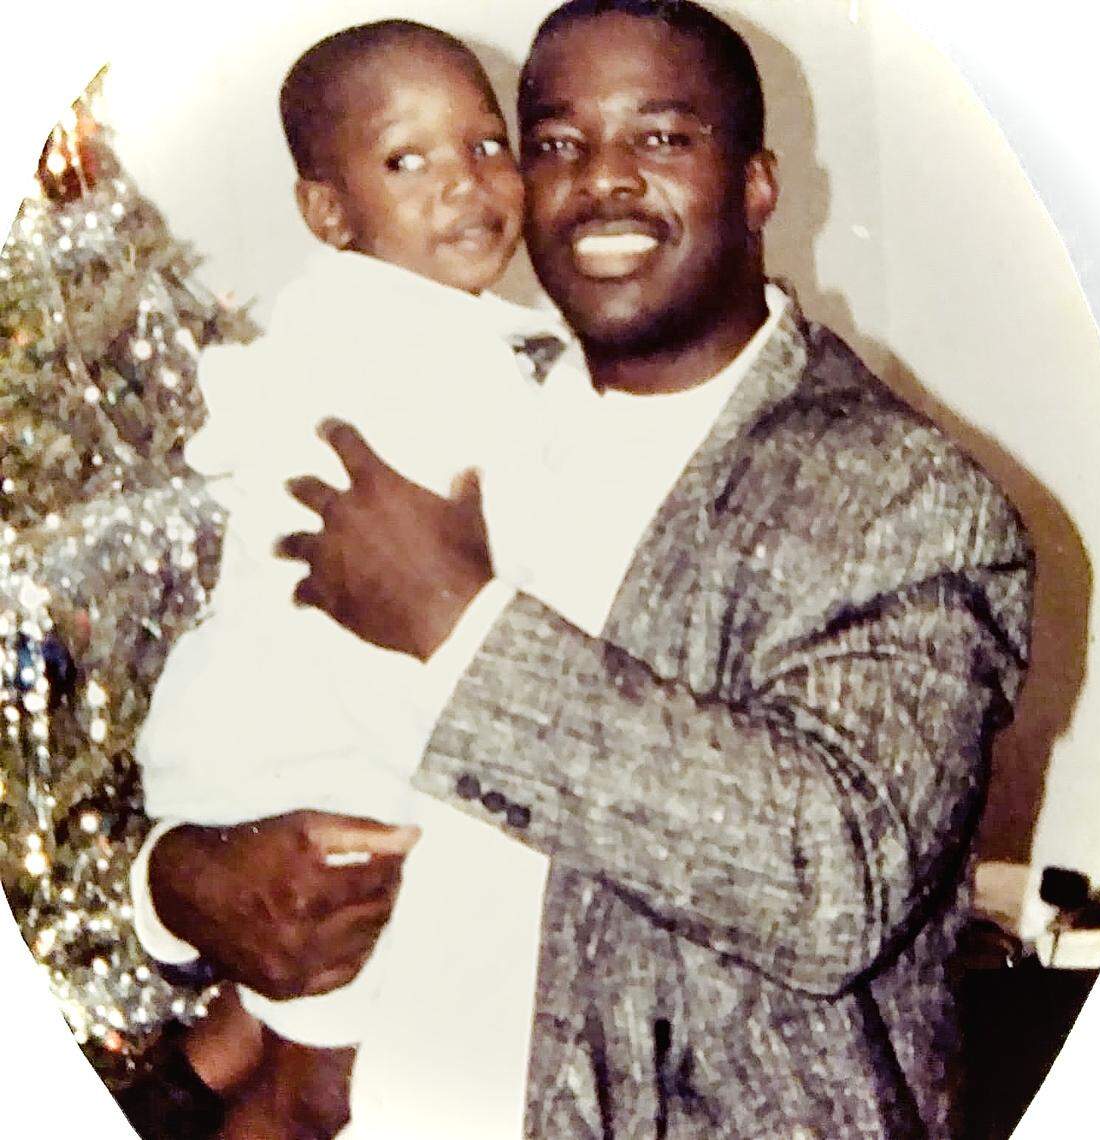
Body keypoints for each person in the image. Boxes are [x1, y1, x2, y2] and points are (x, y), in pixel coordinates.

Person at [147, 2, 1035, 1136]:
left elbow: (832, 877)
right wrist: (181, 881)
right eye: (557, 144)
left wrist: (456, 626)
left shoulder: (900, 495)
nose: (602, 181)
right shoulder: (456, 411)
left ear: (758, 184)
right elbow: (266, 663)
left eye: (661, 138)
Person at [130, 19, 575, 1137]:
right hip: (335, 746)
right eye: (407, 161)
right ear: (329, 213)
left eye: (485, 145)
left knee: (293, 1028)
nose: (465, 187)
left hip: (284, 727)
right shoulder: (393, 349)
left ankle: (220, 1056)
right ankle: (249, 1078)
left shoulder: (421, 327)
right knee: (327, 1086)